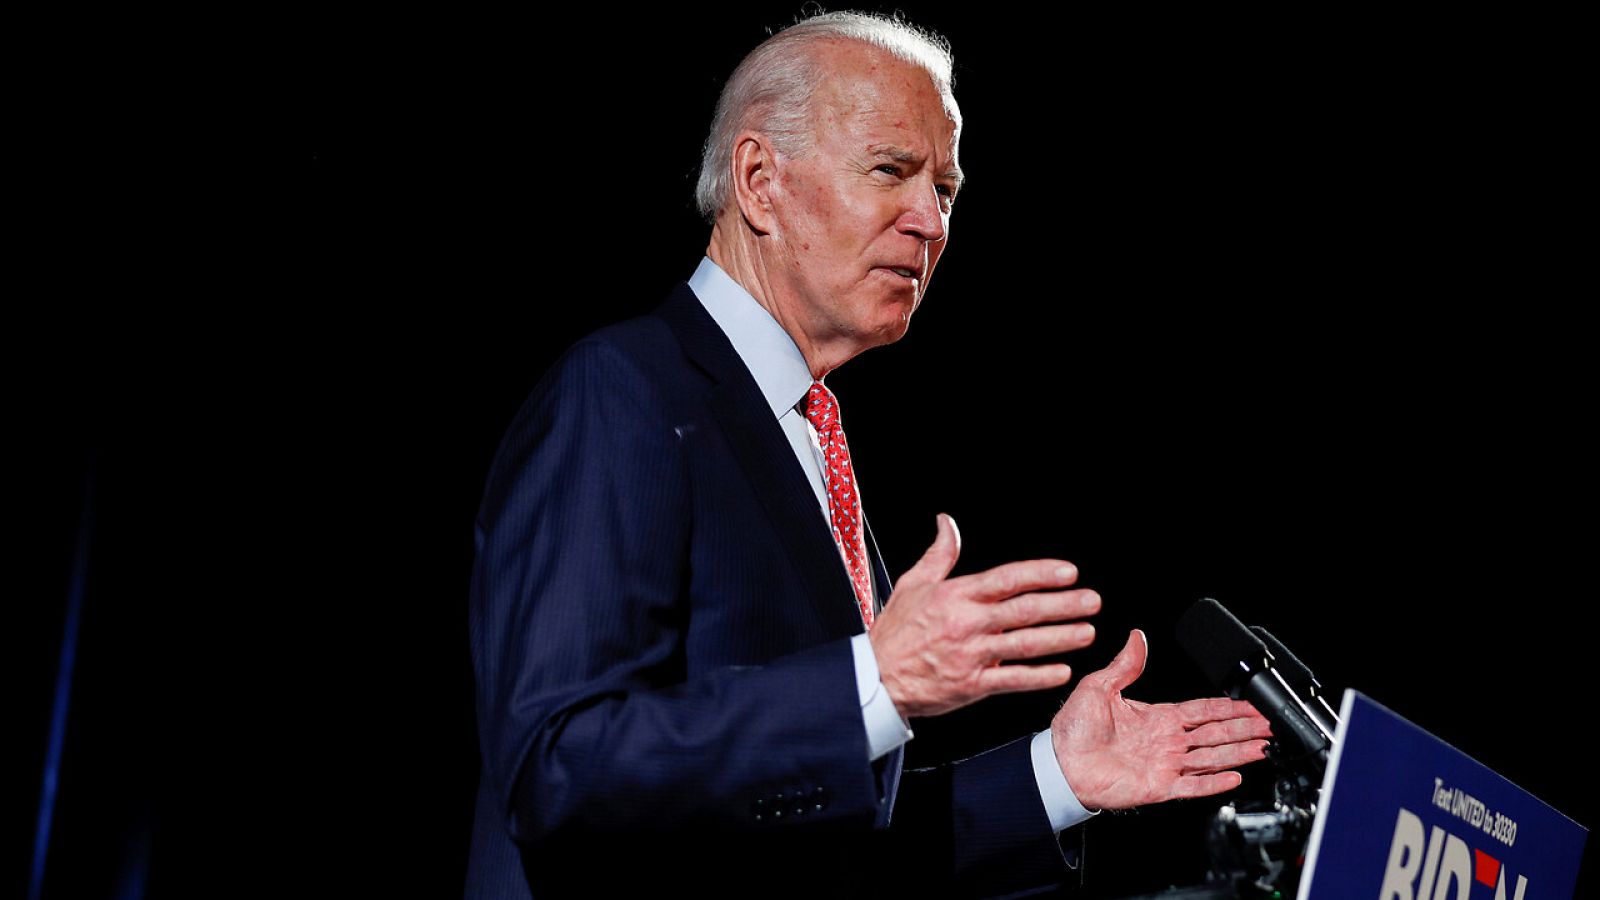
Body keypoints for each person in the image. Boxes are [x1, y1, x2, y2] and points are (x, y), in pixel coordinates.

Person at [465, 11, 1270, 898]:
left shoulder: (804, 434)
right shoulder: (622, 393)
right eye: (891, 170)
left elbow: (834, 850)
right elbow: (557, 767)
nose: (930, 220)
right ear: (759, 180)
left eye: (948, 190)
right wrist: (872, 682)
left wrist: (1056, 778)